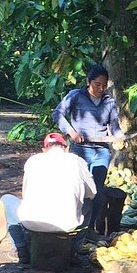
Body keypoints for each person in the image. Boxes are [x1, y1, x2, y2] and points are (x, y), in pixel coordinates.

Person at [0, 132, 96, 265]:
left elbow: (26, 194)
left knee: (6, 200)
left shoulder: (33, 161)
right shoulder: (77, 161)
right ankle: (73, 250)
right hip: (67, 225)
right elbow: (92, 193)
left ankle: (21, 249)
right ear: (66, 148)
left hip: (32, 223)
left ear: (44, 150)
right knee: (89, 203)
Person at [52, 64, 124, 235]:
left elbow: (114, 126)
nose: (101, 88)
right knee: (78, 188)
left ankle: (90, 229)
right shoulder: (76, 96)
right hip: (79, 150)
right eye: (97, 84)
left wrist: (119, 137)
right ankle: (74, 226)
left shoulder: (109, 102)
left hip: (102, 151)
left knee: (97, 191)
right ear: (88, 82)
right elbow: (57, 113)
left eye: (104, 85)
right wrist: (71, 132)